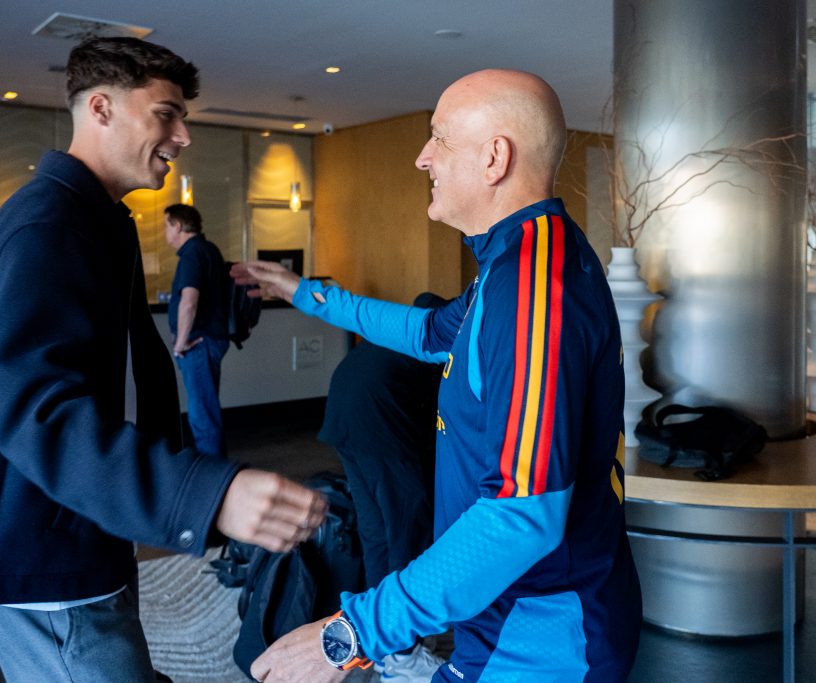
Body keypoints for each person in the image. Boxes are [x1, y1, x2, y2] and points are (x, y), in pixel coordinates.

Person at [0, 36, 326, 683]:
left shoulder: (90, 218)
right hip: (38, 538)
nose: (183, 135)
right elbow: (39, 414)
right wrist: (205, 495)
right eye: (166, 113)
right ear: (101, 108)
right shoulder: (50, 225)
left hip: (72, 516)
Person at [243, 69, 641, 682]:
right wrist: (308, 296)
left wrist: (350, 634)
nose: (423, 157)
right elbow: (426, 333)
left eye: (440, 137)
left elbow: (522, 514)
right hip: (501, 625)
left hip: (539, 642)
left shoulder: (534, 285)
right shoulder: (510, 261)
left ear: (494, 158)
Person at [318, 292, 447, 682]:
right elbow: (441, 422)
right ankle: (404, 655)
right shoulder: (442, 345)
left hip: (342, 414)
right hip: (378, 420)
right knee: (408, 529)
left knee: (377, 534)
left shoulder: (399, 329)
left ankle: (383, 646)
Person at [164, 203, 230, 457]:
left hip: (198, 343)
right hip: (210, 340)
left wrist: (180, 342)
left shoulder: (192, 254)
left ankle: (213, 473)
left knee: (202, 415)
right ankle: (216, 468)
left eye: (166, 226)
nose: (165, 233)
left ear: (178, 226)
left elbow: (189, 301)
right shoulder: (208, 249)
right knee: (205, 410)